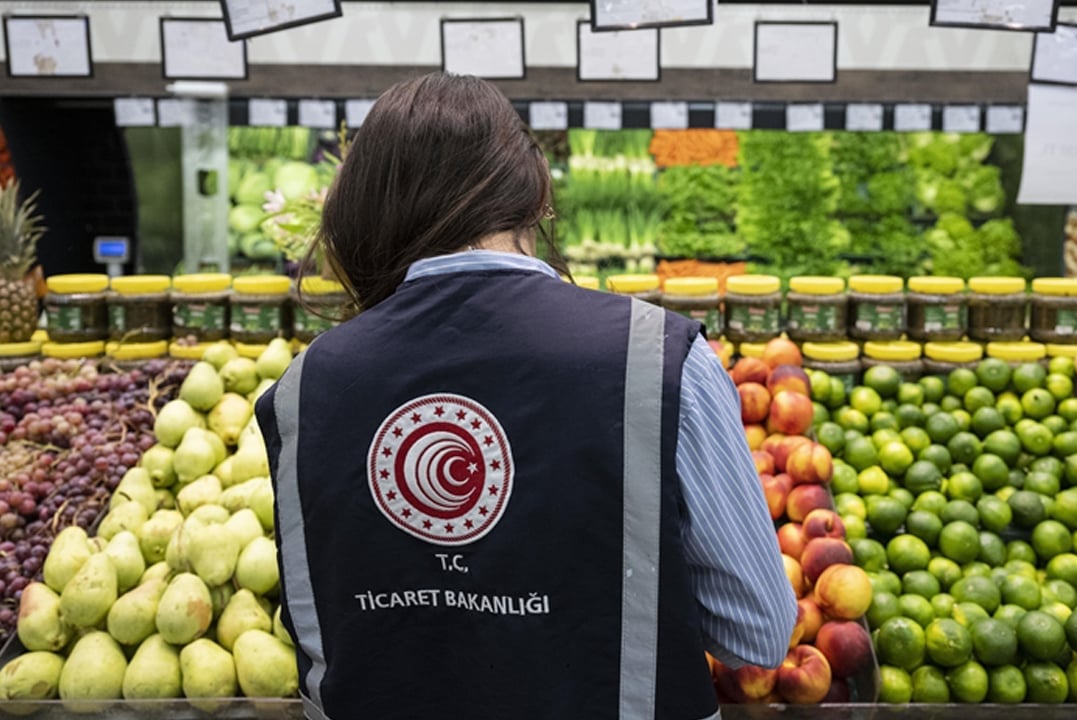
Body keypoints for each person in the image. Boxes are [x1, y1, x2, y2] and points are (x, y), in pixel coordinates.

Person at [255, 73, 795, 720]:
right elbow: (757, 633)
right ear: (536, 196)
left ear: (360, 213)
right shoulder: (660, 360)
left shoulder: (303, 388)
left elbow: (318, 642)